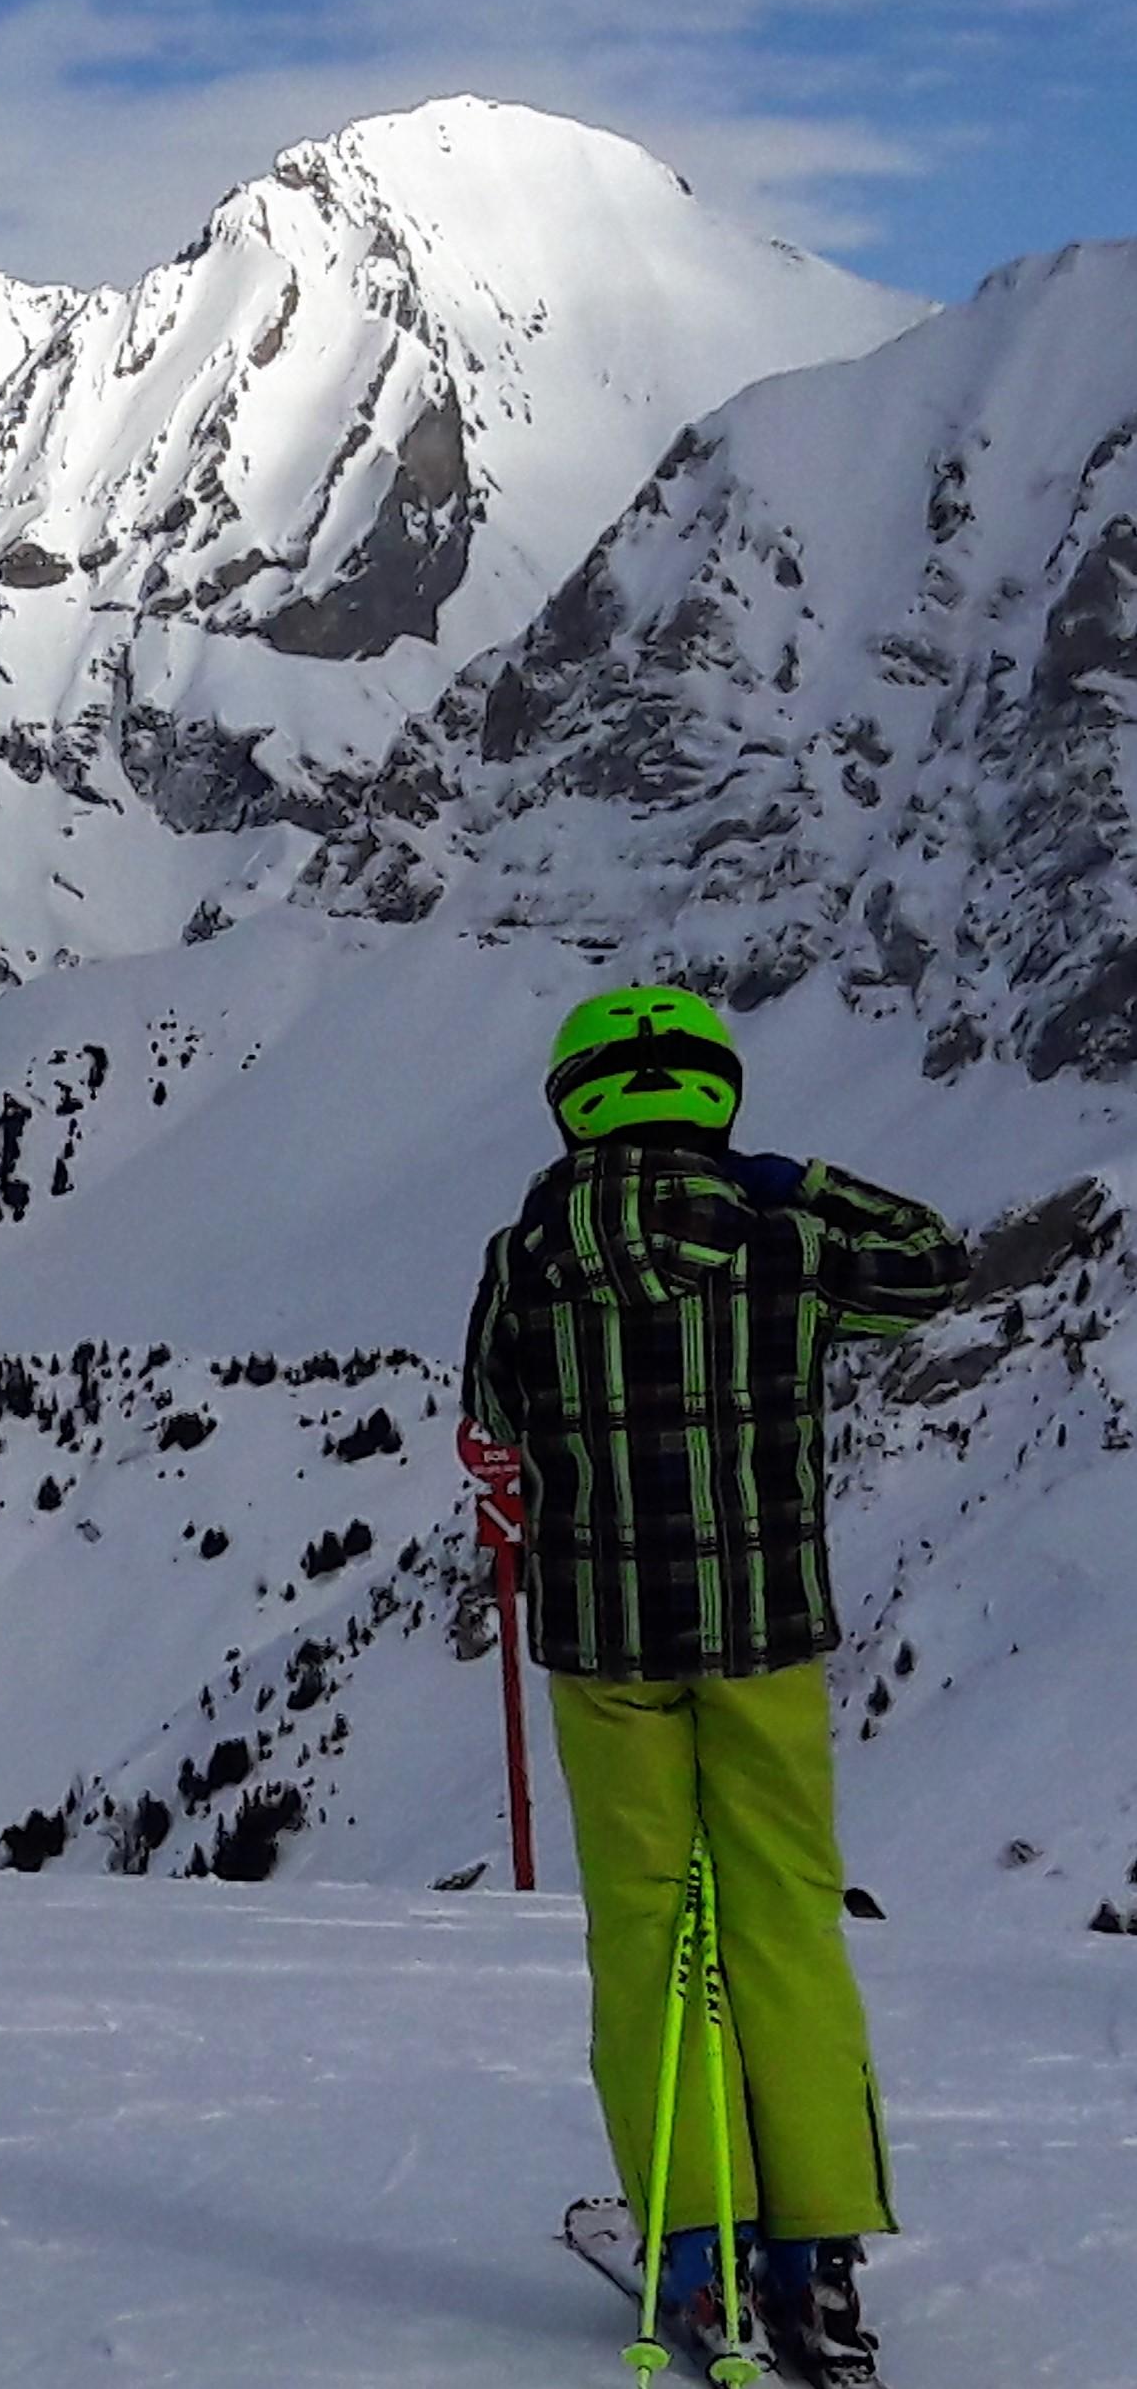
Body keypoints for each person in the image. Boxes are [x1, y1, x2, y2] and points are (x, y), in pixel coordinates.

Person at [464, 984, 967, 2385]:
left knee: (645, 1938)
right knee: (786, 1928)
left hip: (605, 1652)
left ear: (572, 1104)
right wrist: (794, 1182)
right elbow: (937, 1262)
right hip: (766, 1644)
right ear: (718, 1100)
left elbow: (492, 1416)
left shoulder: (526, 1254)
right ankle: (818, 2254)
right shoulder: (782, 1241)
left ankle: (699, 2248)